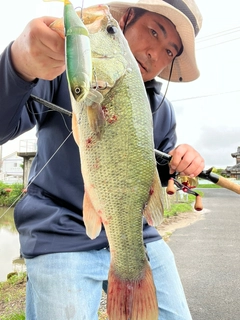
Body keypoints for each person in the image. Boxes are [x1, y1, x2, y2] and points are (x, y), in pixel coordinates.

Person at [0, 0, 204, 319]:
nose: (156, 53)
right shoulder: (60, 70)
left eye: (170, 51)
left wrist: (183, 166)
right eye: (154, 31)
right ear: (126, 22)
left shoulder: (162, 113)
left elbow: (162, 179)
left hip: (135, 233)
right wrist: (18, 64)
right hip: (61, 231)